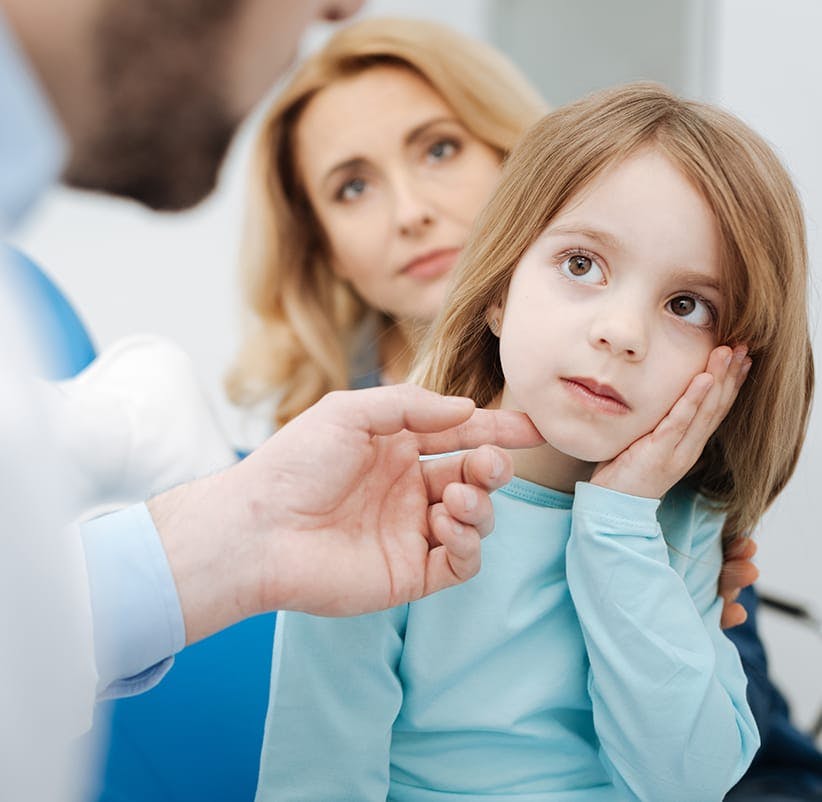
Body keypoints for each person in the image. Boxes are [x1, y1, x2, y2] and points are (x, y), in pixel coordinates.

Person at [0, 1, 546, 799]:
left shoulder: (650, 448)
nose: (411, 212)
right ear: (325, 248)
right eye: (352, 187)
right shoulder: (328, 492)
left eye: (440, 148)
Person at [255, 82, 814, 800]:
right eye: (582, 264)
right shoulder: (386, 488)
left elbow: (688, 783)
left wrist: (618, 527)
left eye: (686, 305)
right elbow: (319, 774)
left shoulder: (682, 522)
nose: (622, 332)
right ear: (499, 289)